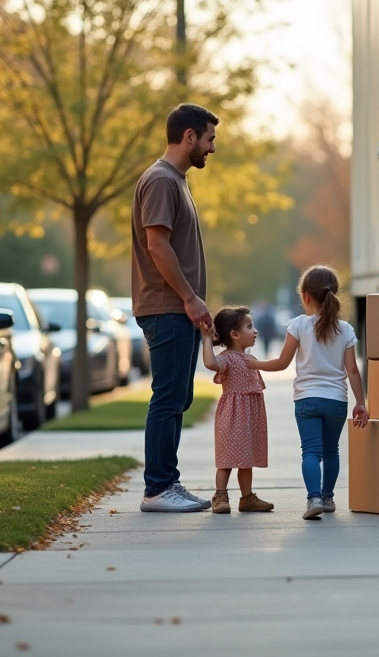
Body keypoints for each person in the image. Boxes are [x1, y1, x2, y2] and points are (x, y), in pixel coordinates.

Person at [131, 103, 219, 513]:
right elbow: (157, 244)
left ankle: (167, 482)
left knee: (177, 398)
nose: (211, 148)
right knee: (167, 397)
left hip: (175, 309)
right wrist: (188, 297)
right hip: (166, 308)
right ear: (189, 137)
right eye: (209, 139)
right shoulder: (162, 181)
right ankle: (158, 488)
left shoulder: (175, 180)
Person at [245, 266, 368, 520]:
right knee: (332, 451)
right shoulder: (345, 329)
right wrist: (360, 403)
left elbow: (281, 363)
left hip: (307, 400)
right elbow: (353, 370)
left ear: (305, 297)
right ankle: (328, 497)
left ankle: (313, 499)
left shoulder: (299, 325)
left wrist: (255, 364)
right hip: (336, 401)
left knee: (311, 452)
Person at [200, 306, 274, 514]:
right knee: (227, 459)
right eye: (249, 327)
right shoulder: (228, 358)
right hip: (233, 417)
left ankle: (247, 497)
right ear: (234, 334)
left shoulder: (248, 358)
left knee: (246, 460)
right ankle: (220, 495)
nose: (255, 331)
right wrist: (206, 339)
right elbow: (210, 363)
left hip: (250, 417)